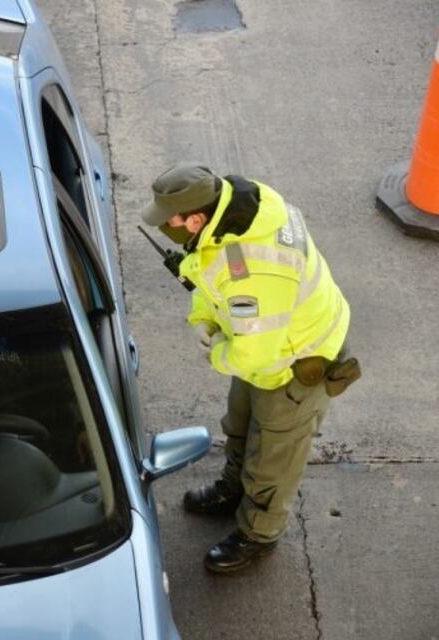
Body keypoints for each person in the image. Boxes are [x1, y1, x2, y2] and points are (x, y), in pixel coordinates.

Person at [140, 162, 358, 573]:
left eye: (169, 220)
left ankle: (259, 533)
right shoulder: (239, 205)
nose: (164, 227)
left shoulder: (251, 268)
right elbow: (206, 273)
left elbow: (253, 353)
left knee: (273, 457)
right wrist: (202, 318)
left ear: (197, 217)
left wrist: (215, 350)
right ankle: (232, 490)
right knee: (239, 423)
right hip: (268, 342)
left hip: (295, 361)